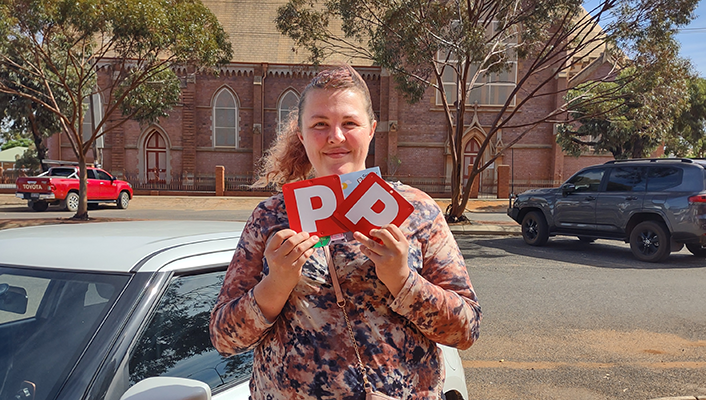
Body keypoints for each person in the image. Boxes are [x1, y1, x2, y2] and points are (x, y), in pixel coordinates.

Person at [210, 65, 481, 399]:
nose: (335, 137)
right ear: (302, 135)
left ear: (372, 130)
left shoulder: (416, 211)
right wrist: (275, 285)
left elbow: (466, 329)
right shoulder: (270, 218)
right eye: (319, 124)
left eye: (349, 123)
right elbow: (223, 338)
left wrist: (402, 280)